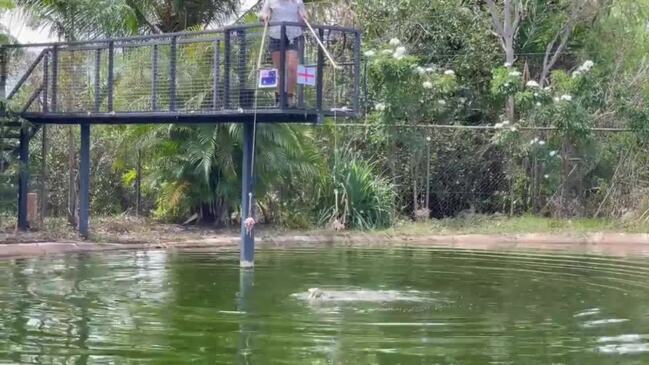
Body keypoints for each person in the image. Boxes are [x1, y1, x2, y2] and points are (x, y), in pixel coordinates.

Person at [260, 0, 308, 107]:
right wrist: (264, 17)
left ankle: (290, 97)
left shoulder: (298, 2)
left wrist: (303, 18)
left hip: (293, 36)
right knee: (279, 69)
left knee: (292, 68)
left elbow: (304, 20)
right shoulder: (270, 1)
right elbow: (262, 16)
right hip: (275, 36)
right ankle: (279, 98)